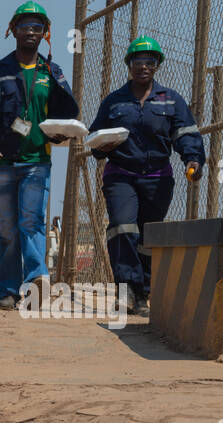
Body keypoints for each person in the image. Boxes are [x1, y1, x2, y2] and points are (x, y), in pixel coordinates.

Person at [0, 2, 79, 311]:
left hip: (36, 161)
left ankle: (36, 282)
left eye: (36, 27)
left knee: (31, 222)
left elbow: (67, 111)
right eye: (24, 26)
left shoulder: (51, 72)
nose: (30, 32)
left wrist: (61, 132)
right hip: (1, 161)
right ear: (12, 30)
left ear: (44, 34)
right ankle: (7, 290)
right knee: (7, 228)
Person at [88, 36, 205, 316]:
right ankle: (126, 291)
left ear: (157, 66)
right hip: (121, 175)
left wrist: (193, 159)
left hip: (158, 178)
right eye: (138, 61)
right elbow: (94, 139)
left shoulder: (171, 100)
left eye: (149, 62)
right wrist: (100, 146)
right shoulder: (114, 101)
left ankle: (144, 294)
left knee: (149, 236)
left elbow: (186, 133)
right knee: (122, 226)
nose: (143, 66)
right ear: (129, 65)